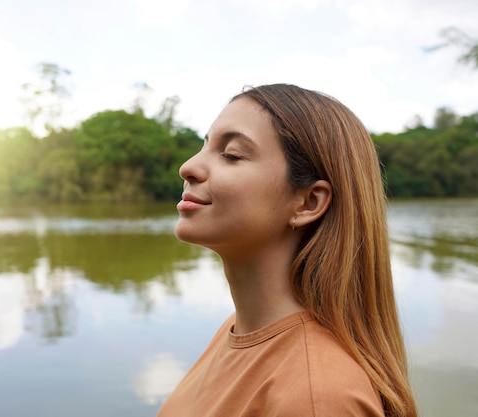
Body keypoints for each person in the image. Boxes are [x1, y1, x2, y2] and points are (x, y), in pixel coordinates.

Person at [157, 84, 417, 417]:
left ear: (308, 202)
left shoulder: (317, 397)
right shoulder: (238, 329)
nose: (188, 167)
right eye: (204, 146)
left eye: (231, 154)